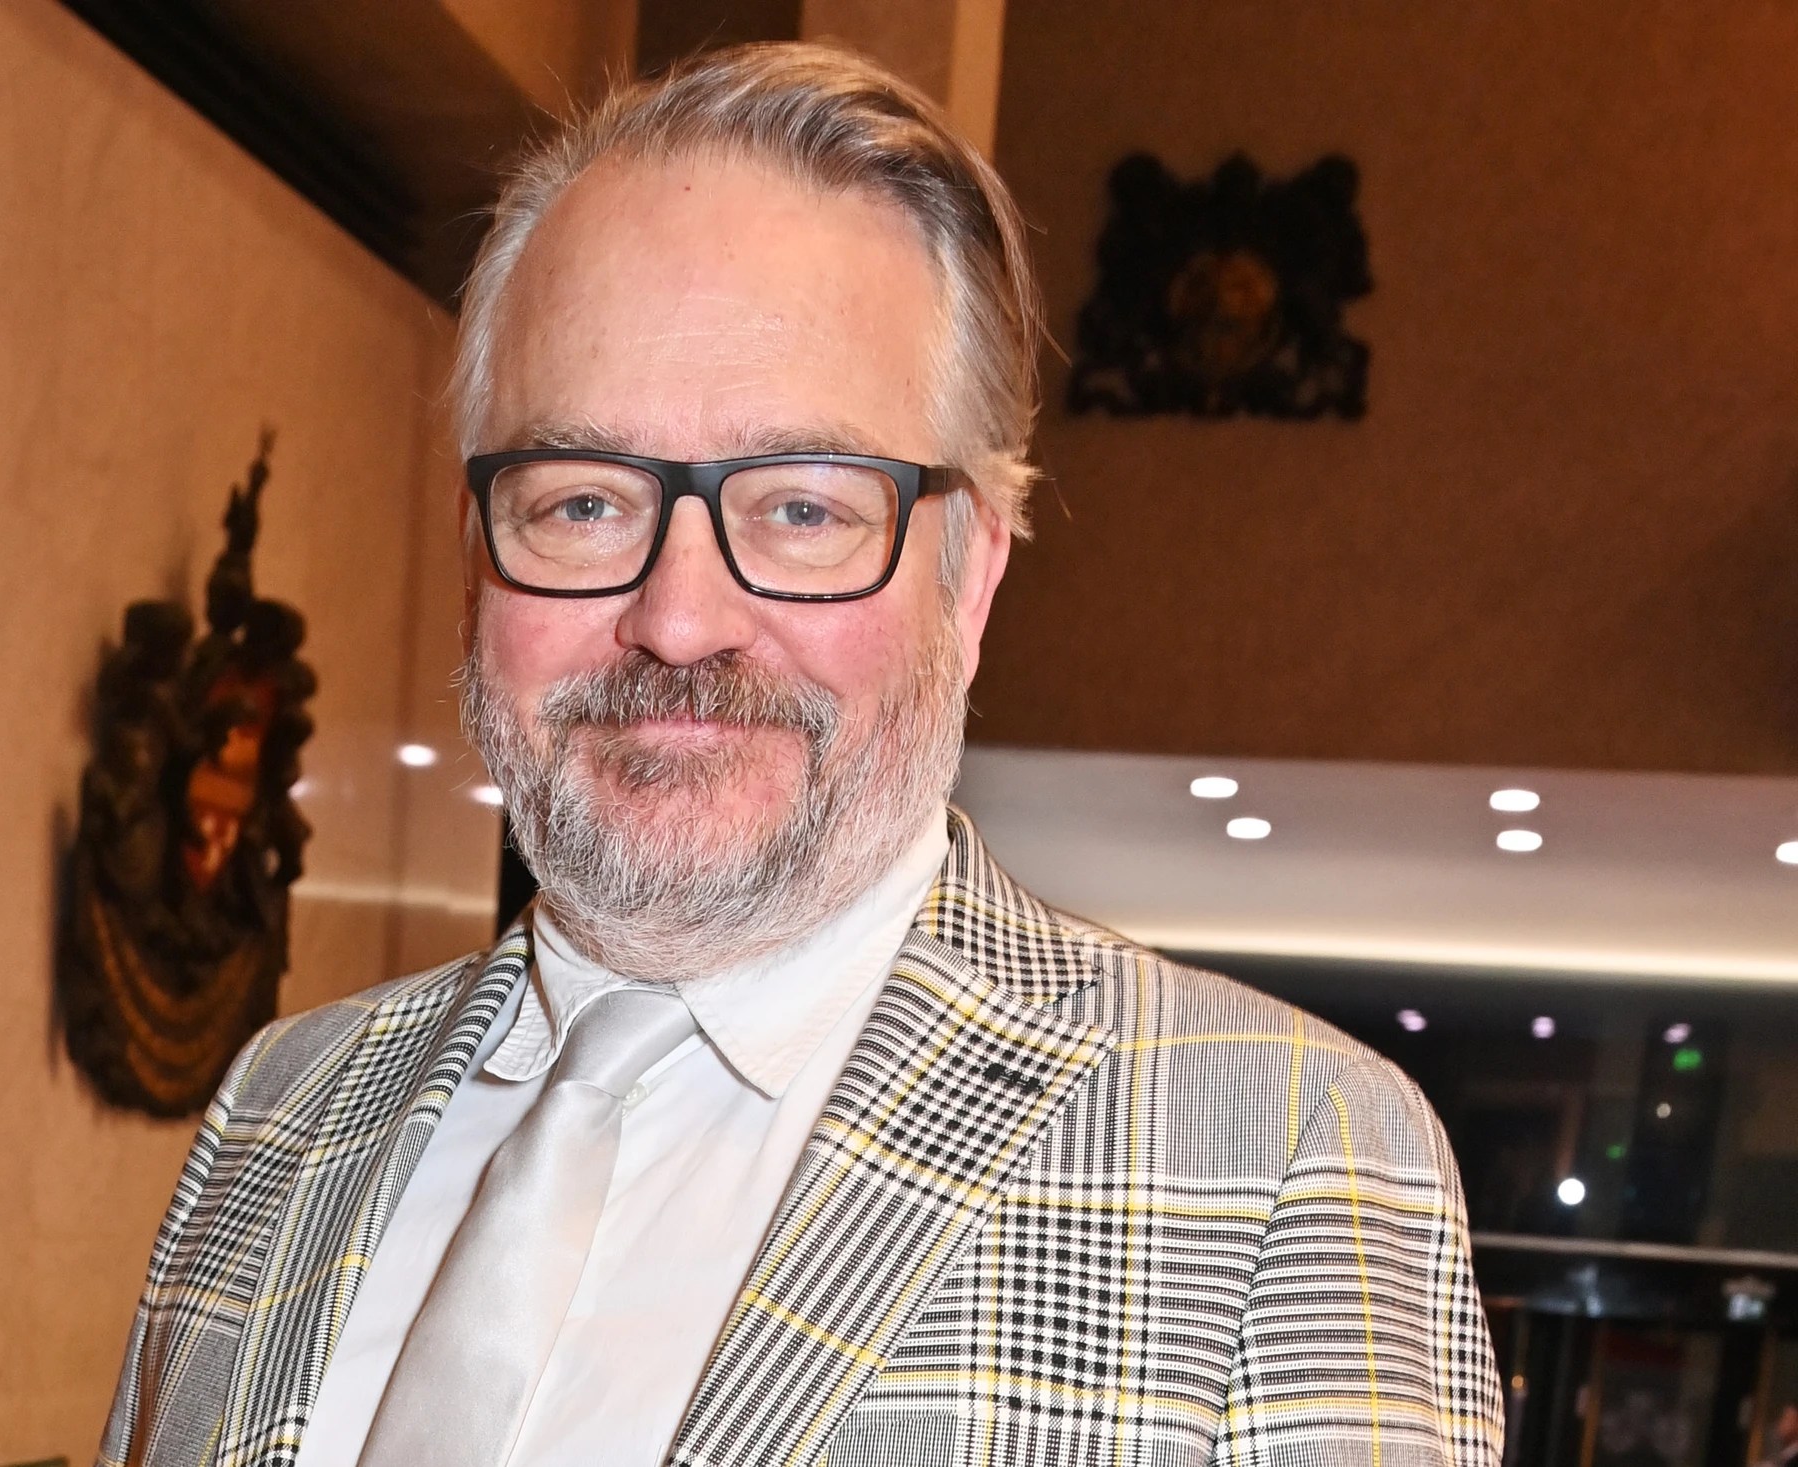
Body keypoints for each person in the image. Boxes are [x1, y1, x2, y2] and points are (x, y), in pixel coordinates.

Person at [97, 43, 1503, 1467]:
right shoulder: (280, 1109)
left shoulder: (1281, 1160)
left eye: (803, 510)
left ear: (970, 578)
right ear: (478, 557)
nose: (678, 622)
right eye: (582, 504)